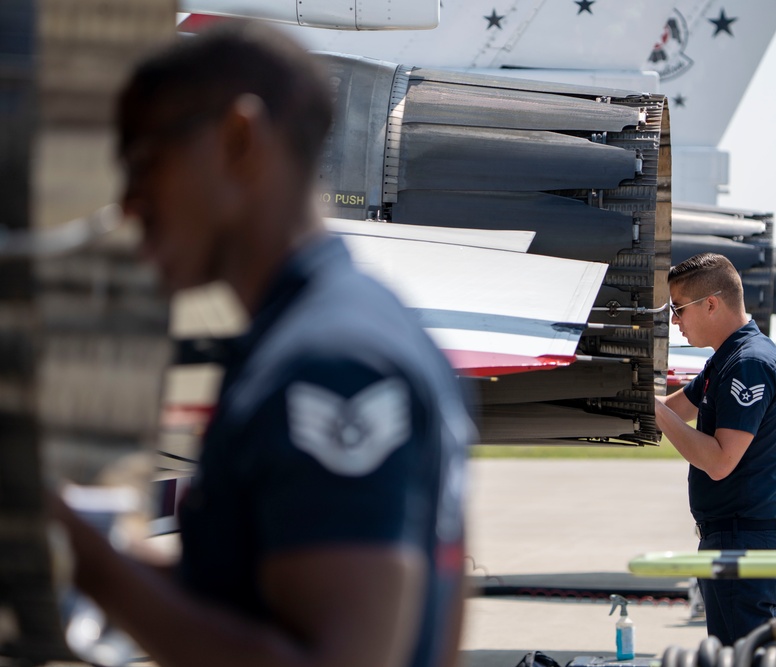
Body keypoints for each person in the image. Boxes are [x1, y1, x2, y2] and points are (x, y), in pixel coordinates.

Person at [51, 21, 474, 667]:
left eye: (143, 162)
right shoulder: (364, 327)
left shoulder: (331, 362)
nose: (129, 204)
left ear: (238, 140)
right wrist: (78, 536)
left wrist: (88, 560)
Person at [654, 252, 776, 646]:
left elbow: (719, 461)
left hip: (746, 545)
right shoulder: (727, 359)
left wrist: (655, 412)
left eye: (678, 309)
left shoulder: (748, 363)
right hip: (734, 540)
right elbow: (671, 409)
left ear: (711, 303)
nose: (674, 321)